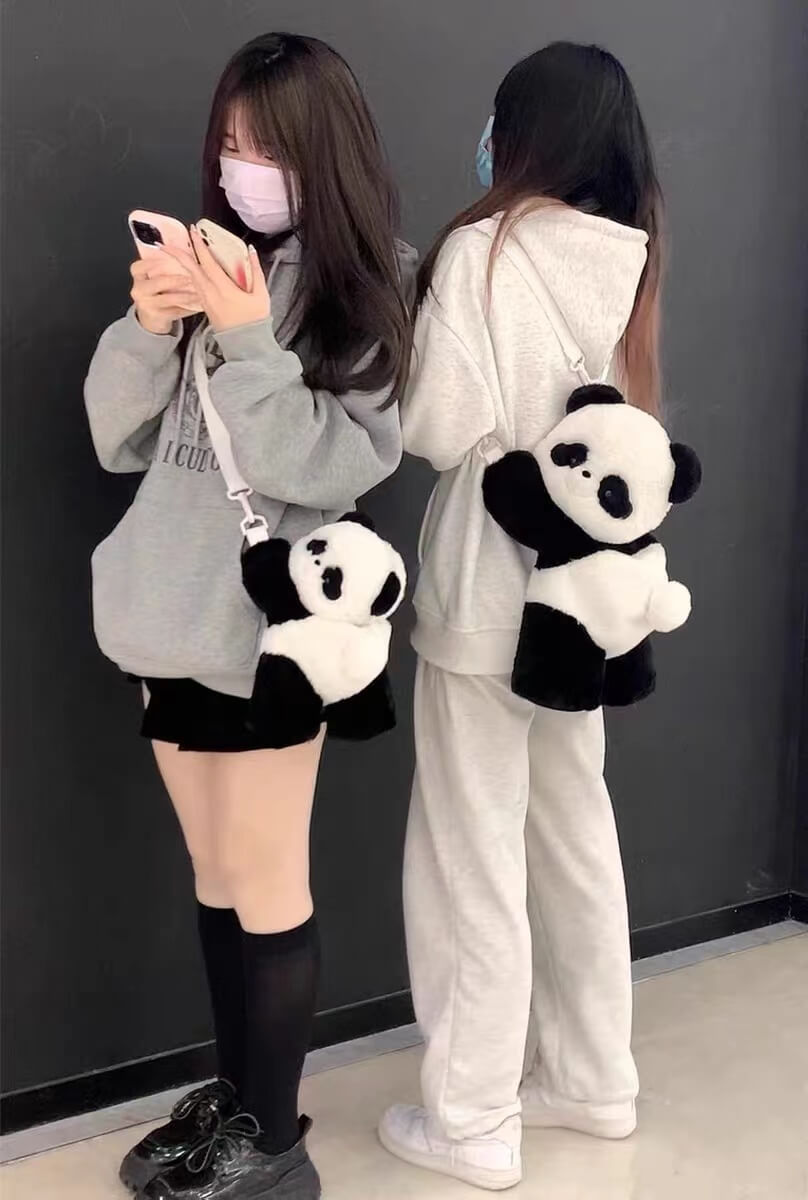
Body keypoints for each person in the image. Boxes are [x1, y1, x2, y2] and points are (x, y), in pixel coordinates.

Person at [85, 32, 414, 1200]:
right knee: (217, 874)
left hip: (269, 640)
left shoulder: (372, 284)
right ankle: (239, 1100)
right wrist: (147, 322)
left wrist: (241, 336)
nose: (242, 168)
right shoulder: (214, 253)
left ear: (324, 149)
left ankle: (272, 1145)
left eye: (267, 146)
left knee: (267, 879)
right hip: (164, 617)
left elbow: (329, 466)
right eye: (229, 142)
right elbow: (115, 437)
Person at [378, 42, 663, 1191]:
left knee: (469, 855)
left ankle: (472, 1117)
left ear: (523, 132)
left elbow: (438, 427)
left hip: (490, 597)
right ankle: (591, 1079)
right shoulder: (626, 257)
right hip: (584, 600)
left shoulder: (483, 250)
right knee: (572, 836)